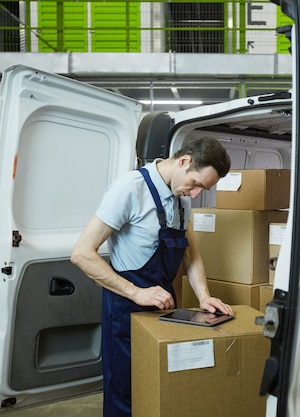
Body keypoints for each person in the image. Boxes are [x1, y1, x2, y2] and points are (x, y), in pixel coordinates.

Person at [70, 136, 234, 417]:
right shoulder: (129, 189)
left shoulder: (182, 198)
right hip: (126, 309)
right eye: (196, 184)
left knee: (157, 387)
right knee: (125, 390)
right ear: (184, 161)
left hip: (164, 309)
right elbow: (82, 254)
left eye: (202, 189)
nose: (196, 194)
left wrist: (204, 297)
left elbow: (190, 253)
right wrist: (136, 292)